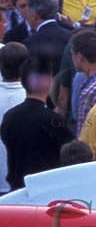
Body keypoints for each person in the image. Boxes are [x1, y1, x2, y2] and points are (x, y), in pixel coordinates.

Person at [2, 55, 71, 189]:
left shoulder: (10, 117)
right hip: (45, 190)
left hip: (17, 188)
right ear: (50, 82)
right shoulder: (52, 120)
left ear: (22, 81)